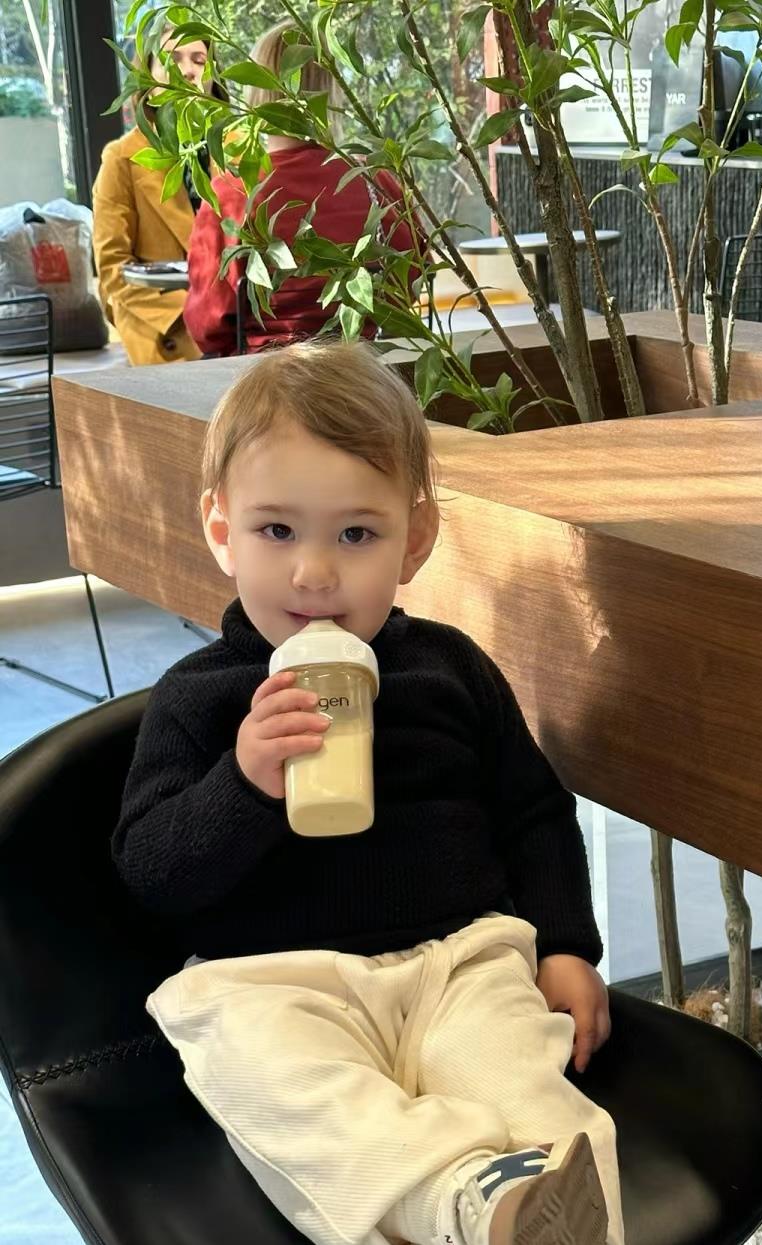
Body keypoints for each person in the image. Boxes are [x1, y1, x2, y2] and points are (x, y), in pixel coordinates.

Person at [111, 339, 623, 1245]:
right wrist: (243, 782)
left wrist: (567, 946)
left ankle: (542, 1208)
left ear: (414, 540)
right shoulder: (200, 699)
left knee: (534, 1096)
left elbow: (535, 813)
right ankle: (469, 1204)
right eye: (277, 531)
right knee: (277, 1079)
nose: (314, 573)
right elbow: (153, 871)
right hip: (277, 980)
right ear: (222, 531)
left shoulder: (448, 671)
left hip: (458, 962)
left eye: (356, 534)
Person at [184, 21, 421, 356]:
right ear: (331, 89)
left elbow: (207, 325)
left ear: (256, 90)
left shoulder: (232, 193)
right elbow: (412, 280)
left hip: (264, 377)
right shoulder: (374, 180)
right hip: (362, 369)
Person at [92, 33, 223, 365]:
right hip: (167, 329)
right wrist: (194, 316)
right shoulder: (122, 158)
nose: (188, 71)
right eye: (172, 60)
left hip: (236, 326)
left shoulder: (238, 151)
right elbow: (113, 270)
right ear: (147, 78)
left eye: (200, 61)